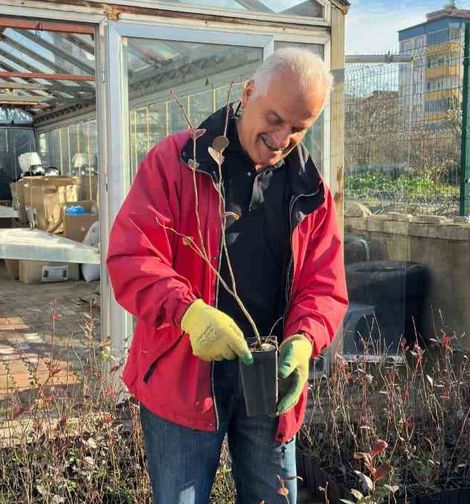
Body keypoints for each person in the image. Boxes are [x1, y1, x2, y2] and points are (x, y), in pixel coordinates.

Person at [107, 48, 348, 504]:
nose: (281, 139)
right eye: (274, 119)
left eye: (298, 128)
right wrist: (190, 313)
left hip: (269, 381)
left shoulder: (310, 191)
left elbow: (325, 285)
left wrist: (304, 339)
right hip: (183, 379)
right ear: (248, 92)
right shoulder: (179, 162)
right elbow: (131, 255)